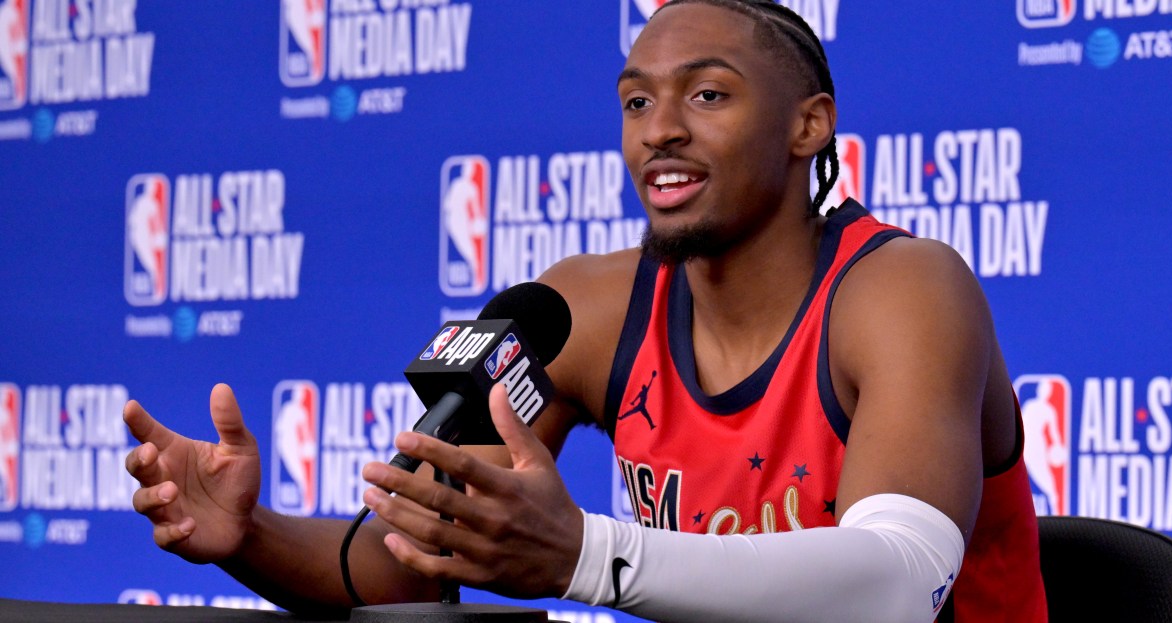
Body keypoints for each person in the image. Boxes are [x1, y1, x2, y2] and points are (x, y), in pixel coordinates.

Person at [123, 1, 1048, 621]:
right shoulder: (576, 308)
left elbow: (897, 583)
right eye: (636, 101)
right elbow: (407, 562)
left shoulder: (906, 289)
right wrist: (249, 535)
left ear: (809, 124)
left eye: (708, 95)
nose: (660, 129)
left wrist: (588, 555)